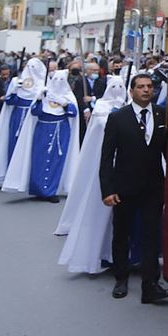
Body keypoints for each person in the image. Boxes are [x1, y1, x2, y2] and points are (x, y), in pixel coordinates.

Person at [100, 73, 168, 303]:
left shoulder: (161, 115)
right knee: (122, 233)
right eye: (140, 87)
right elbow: (106, 157)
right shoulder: (118, 118)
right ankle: (121, 277)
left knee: (151, 235)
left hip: (153, 187)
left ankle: (150, 285)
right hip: (124, 187)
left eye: (149, 86)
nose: (146, 90)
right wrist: (107, 190)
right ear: (131, 91)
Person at [57, 73, 128, 274]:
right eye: (114, 87)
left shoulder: (129, 107)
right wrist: (116, 116)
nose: (117, 92)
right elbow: (102, 128)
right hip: (105, 164)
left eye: (120, 87)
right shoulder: (102, 108)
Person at [4, 62, 78, 201]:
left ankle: (51, 190)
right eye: (55, 79)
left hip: (60, 130)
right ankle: (38, 188)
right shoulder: (44, 94)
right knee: (38, 158)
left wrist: (65, 104)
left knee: (56, 160)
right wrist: (38, 100)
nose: (58, 82)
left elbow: (73, 113)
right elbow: (35, 112)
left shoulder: (68, 97)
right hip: (42, 130)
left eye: (61, 80)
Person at [0, 53, 45, 187]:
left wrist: (42, 97)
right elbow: (9, 101)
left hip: (34, 119)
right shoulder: (17, 81)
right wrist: (15, 90)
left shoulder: (44, 84)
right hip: (18, 117)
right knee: (14, 143)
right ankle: (11, 175)